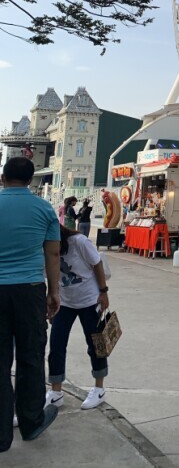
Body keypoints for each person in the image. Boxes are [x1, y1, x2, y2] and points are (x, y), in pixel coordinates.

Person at [0, 157, 61, 451]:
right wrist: (54, 292)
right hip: (30, 290)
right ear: (30, 180)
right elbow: (52, 255)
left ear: (3, 177)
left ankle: (0, 436)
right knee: (31, 357)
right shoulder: (44, 208)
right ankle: (31, 422)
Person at [47, 224, 110, 411]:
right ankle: (56, 392)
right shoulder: (46, 248)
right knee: (56, 345)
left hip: (89, 301)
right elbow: (49, 276)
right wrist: (51, 300)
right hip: (64, 303)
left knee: (95, 345)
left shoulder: (79, 242)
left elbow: (97, 263)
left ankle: (99, 389)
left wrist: (104, 292)